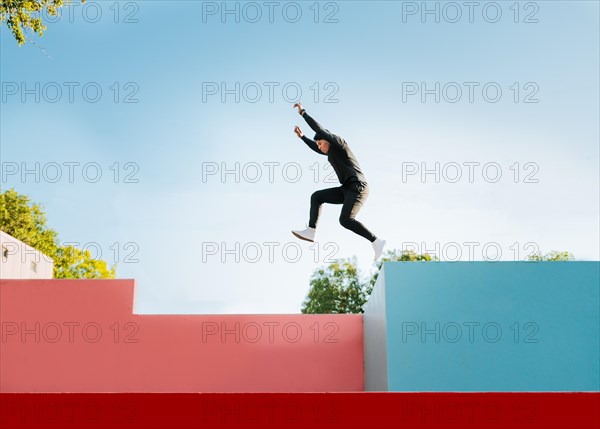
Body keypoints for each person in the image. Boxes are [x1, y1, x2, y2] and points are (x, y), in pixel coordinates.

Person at [291, 102, 386, 261]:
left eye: (320, 143)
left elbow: (318, 129)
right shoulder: (329, 152)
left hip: (358, 186)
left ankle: (377, 241)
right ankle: (311, 231)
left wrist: (303, 113)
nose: (319, 147)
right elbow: (315, 147)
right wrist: (302, 138)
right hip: (347, 189)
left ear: (327, 139)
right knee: (317, 197)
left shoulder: (338, 143)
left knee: (345, 220)